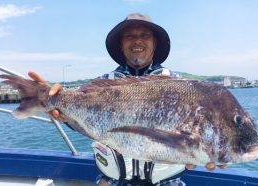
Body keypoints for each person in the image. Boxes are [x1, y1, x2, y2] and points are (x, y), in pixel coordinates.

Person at [28, 13, 227, 186]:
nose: (137, 41)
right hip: (112, 180)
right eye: (129, 36)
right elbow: (89, 124)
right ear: (121, 45)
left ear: (154, 43)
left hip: (167, 181)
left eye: (144, 35)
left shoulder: (180, 85)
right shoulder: (103, 83)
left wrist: (213, 149)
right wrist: (57, 105)